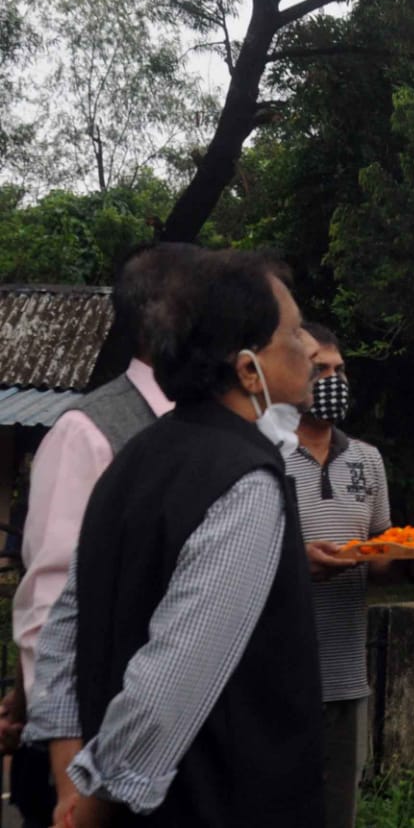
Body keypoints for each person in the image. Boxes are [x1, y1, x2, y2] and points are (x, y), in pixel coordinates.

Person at [24, 249, 325, 827]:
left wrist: (69, 776)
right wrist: (88, 810)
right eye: (294, 332)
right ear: (246, 369)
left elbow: (66, 628)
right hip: (216, 803)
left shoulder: (135, 455)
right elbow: (171, 679)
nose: (311, 347)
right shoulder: (245, 481)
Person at [5, 242, 196, 828]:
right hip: (96, 752)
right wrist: (70, 773)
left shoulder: (204, 422)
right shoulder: (87, 430)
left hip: (169, 740)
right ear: (176, 320)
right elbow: (49, 602)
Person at [282, 321, 393, 828]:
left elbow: (384, 552)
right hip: (278, 677)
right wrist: (294, 559)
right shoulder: (267, 454)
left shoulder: (367, 460)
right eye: (321, 369)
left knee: (337, 816)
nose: (334, 380)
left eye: (340, 370)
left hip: (348, 676)